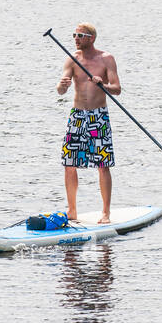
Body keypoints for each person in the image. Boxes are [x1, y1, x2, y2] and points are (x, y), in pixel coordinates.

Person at [57, 23, 121, 223]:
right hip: (77, 116)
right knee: (69, 164)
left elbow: (117, 88)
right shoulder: (72, 58)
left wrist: (103, 84)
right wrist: (62, 85)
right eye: (74, 35)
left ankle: (106, 213)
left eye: (80, 35)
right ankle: (72, 210)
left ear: (91, 38)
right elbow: (61, 89)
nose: (76, 38)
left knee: (103, 165)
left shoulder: (106, 59)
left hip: (98, 116)